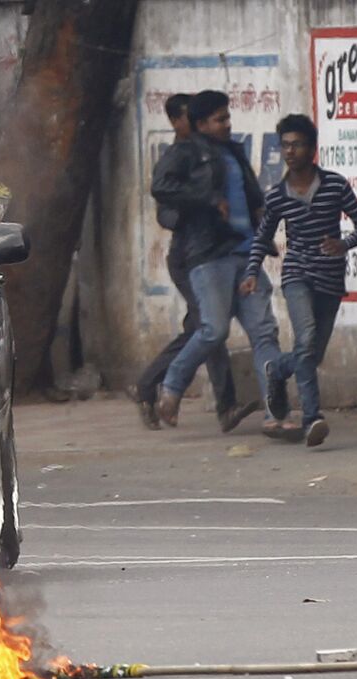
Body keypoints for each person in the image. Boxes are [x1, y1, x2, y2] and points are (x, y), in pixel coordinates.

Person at [151, 90, 286, 428]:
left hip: (247, 255)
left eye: (228, 117)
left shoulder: (234, 152)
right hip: (209, 255)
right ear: (200, 124)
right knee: (213, 330)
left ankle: (276, 413)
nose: (227, 124)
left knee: (264, 333)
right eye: (220, 119)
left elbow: (255, 198)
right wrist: (208, 199)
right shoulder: (184, 152)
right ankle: (171, 388)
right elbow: (161, 187)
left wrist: (263, 229)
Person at [243, 114, 357, 447]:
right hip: (297, 274)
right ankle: (312, 416)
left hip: (330, 278)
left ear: (312, 149)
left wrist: (343, 243)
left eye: (297, 144)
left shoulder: (335, 185)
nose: (290, 151)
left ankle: (277, 371)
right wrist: (251, 272)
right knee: (308, 336)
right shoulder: (277, 196)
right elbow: (262, 236)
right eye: (285, 145)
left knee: (310, 355)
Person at [133, 92, 255, 432]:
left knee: (202, 329)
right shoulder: (180, 157)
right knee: (209, 328)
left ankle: (149, 385)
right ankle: (222, 404)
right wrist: (202, 206)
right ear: (177, 122)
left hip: (215, 252)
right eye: (192, 118)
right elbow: (167, 211)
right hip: (190, 257)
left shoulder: (216, 154)